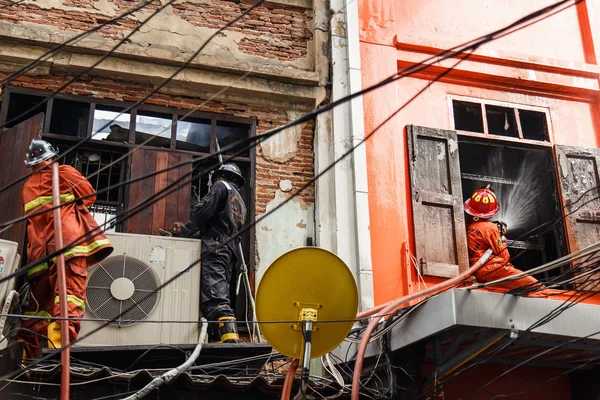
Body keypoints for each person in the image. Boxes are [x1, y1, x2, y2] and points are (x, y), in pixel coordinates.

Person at [19, 139, 114, 358]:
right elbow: (89, 195)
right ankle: (57, 353)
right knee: (69, 300)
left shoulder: (27, 187)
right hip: (68, 247)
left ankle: (30, 357)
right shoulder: (63, 172)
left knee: (39, 308)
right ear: (51, 157)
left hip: (39, 256)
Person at [160, 163, 247, 343]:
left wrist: (184, 233)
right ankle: (217, 339)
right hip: (229, 250)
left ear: (219, 176)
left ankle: (230, 338)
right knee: (220, 290)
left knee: (215, 294)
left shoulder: (220, 186)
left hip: (216, 246)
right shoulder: (240, 202)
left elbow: (203, 213)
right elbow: (219, 225)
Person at [465, 185, 560, 297]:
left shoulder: (468, 226)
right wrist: (502, 239)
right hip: (493, 270)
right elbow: (504, 257)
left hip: (477, 272)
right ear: (491, 210)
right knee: (536, 288)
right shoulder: (490, 228)